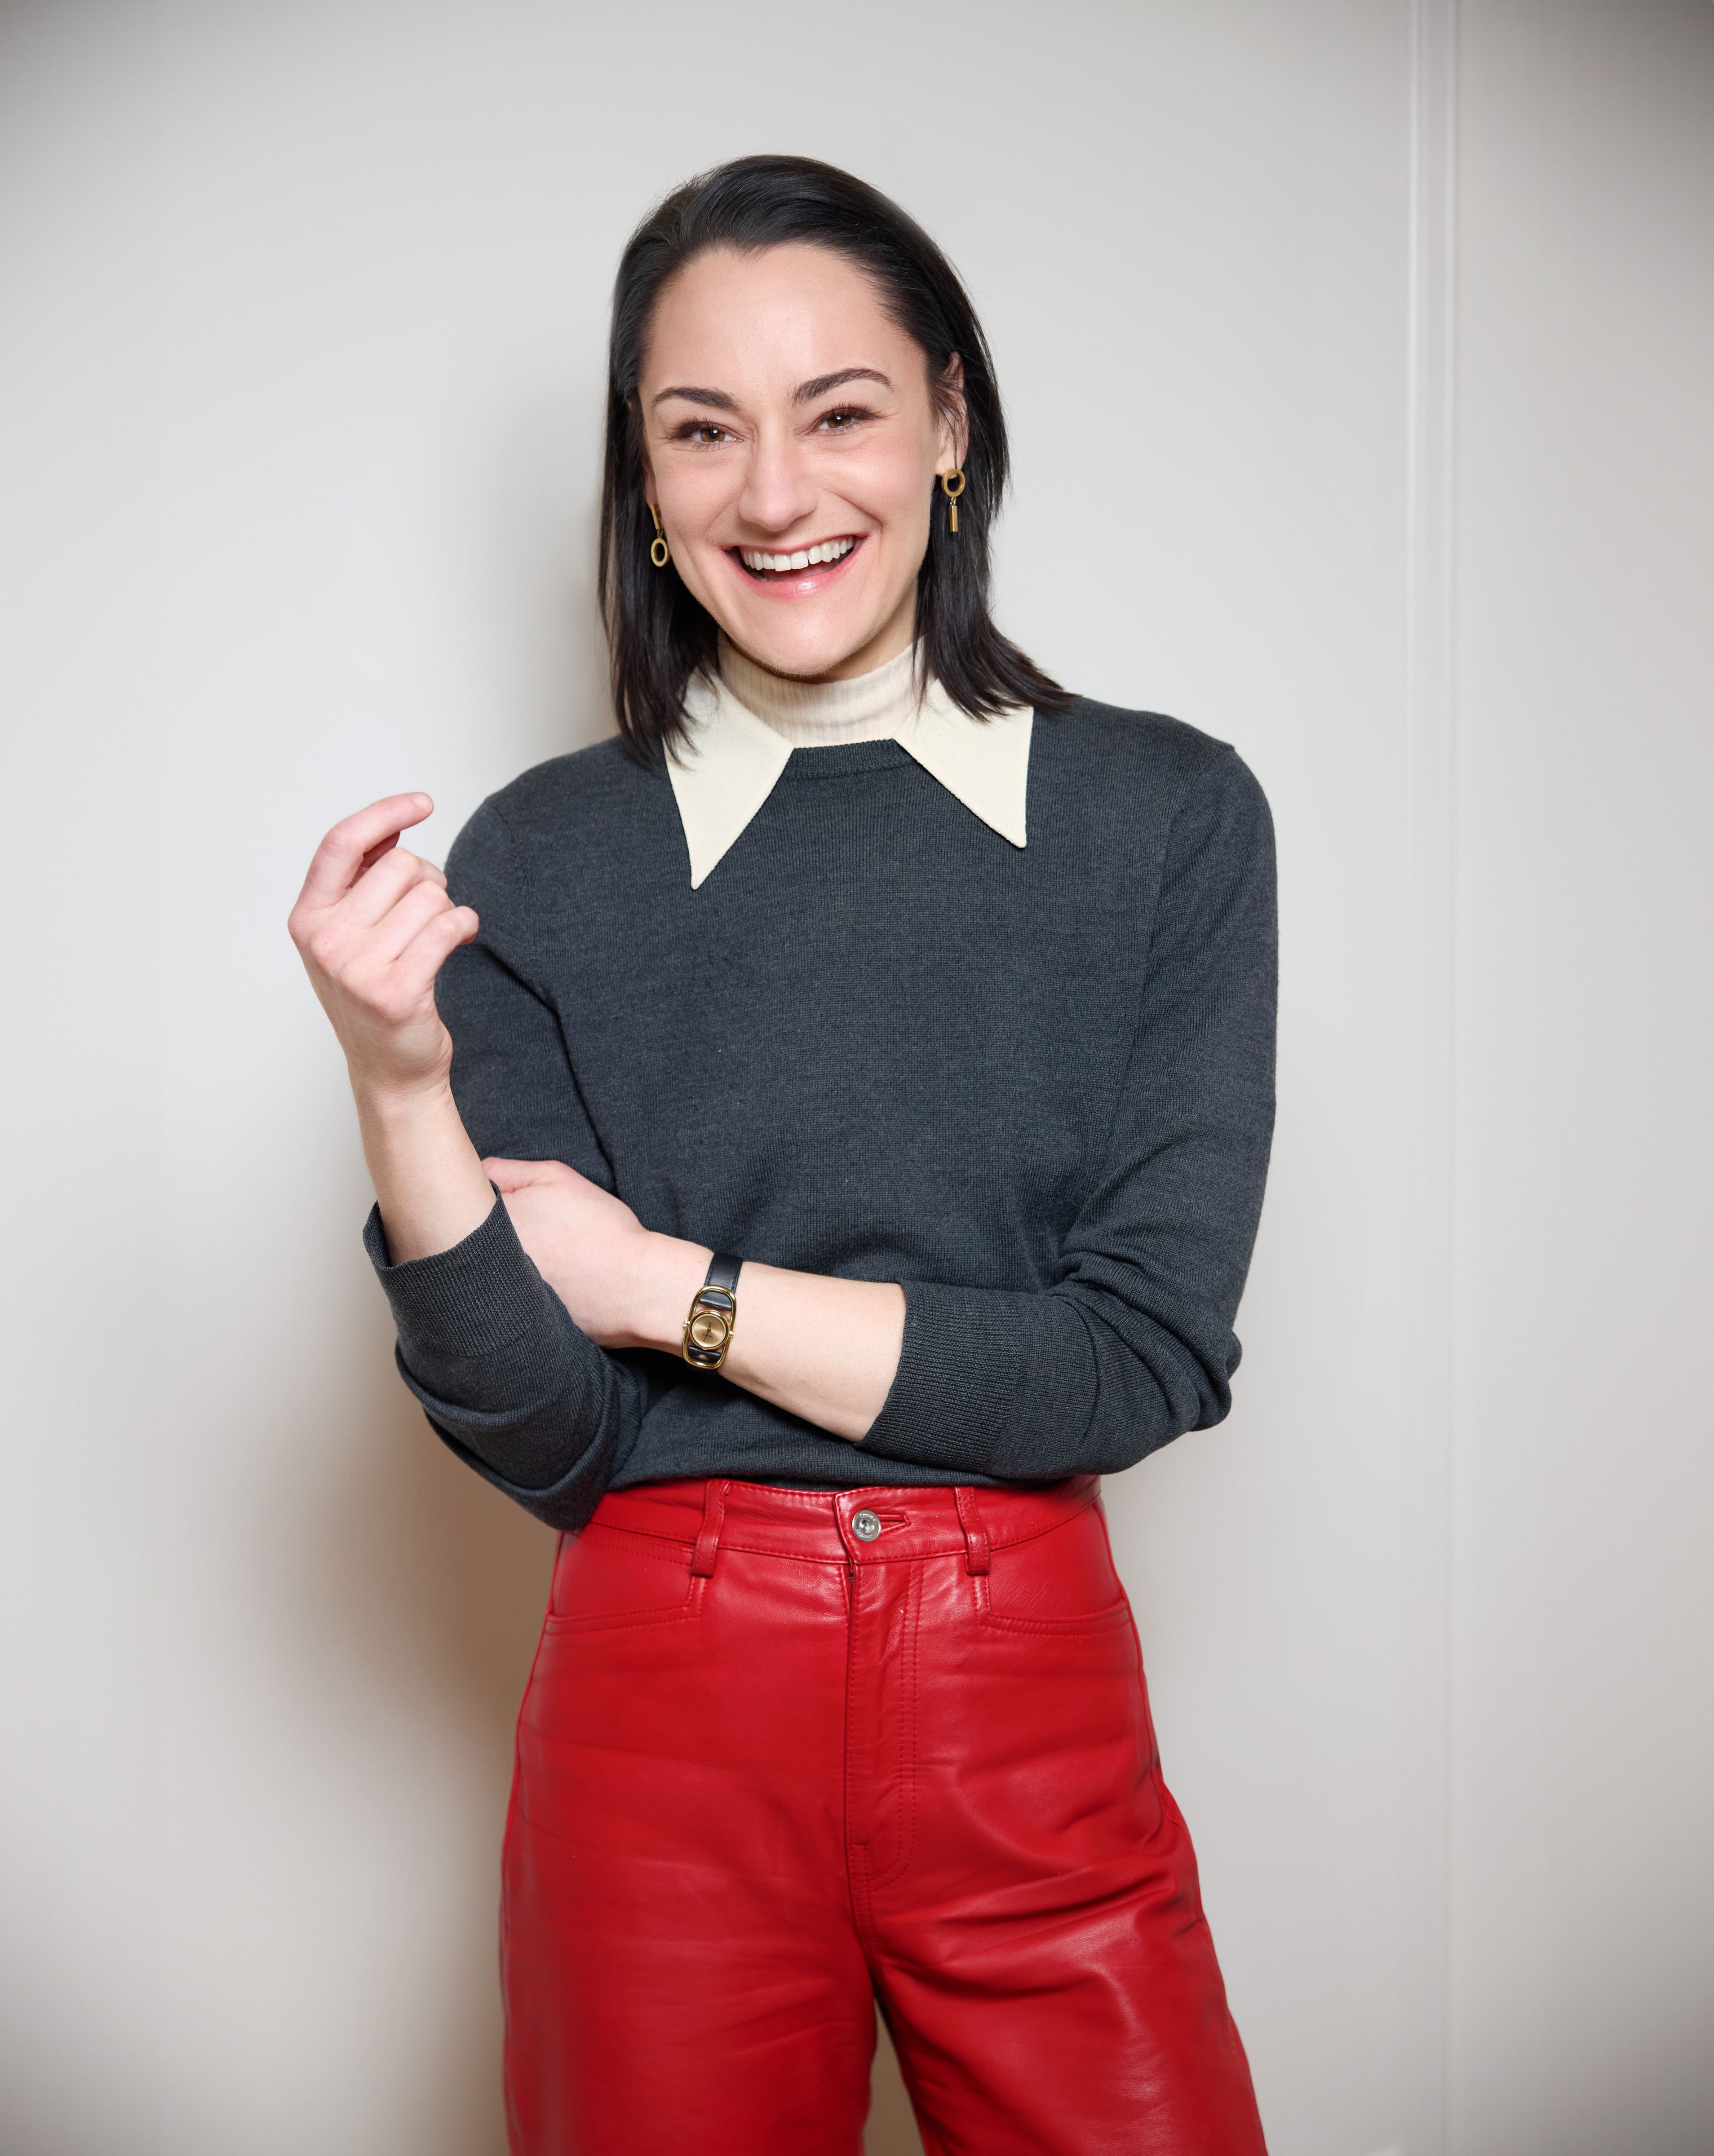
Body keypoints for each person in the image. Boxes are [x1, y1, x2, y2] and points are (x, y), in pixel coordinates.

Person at [290, 154, 1276, 2156]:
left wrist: (671, 1286)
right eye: (701, 431)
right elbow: (553, 1438)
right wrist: (402, 1090)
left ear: (947, 433)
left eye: (841, 411)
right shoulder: (545, 854)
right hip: (661, 1702)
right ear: (642, 486)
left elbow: (1139, 1360)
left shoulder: (1165, 819)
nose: (774, 493)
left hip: (1028, 1684)